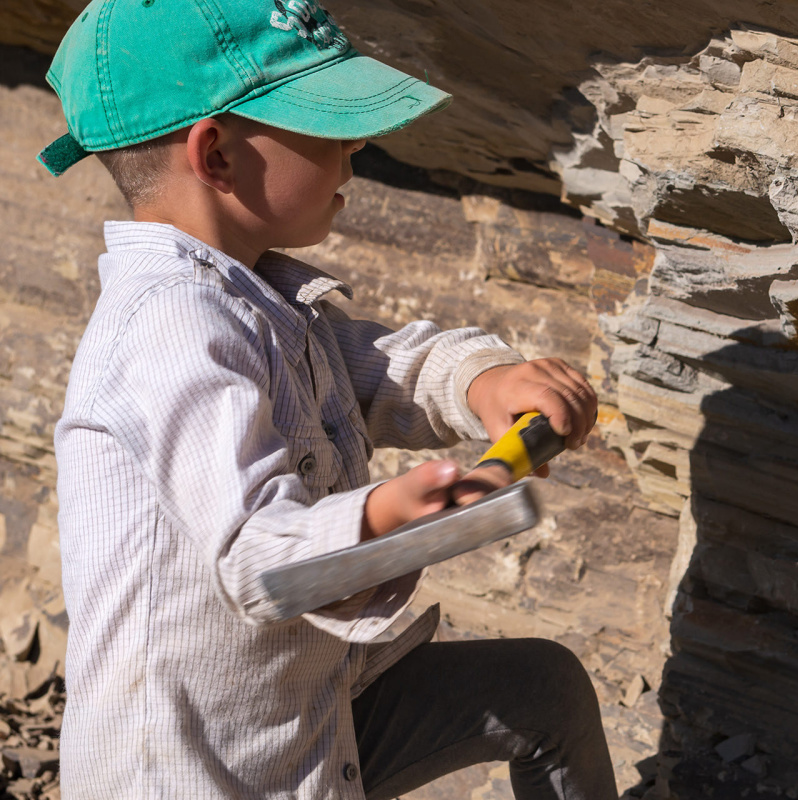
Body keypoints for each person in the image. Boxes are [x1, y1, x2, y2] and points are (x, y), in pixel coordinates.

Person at [40, 1, 619, 798]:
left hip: (309, 724)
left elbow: (378, 368)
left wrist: (484, 378)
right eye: (326, 127)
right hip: (198, 775)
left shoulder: (259, 298)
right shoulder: (169, 331)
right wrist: (387, 518)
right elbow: (258, 561)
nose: (353, 152)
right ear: (216, 157)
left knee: (539, 692)